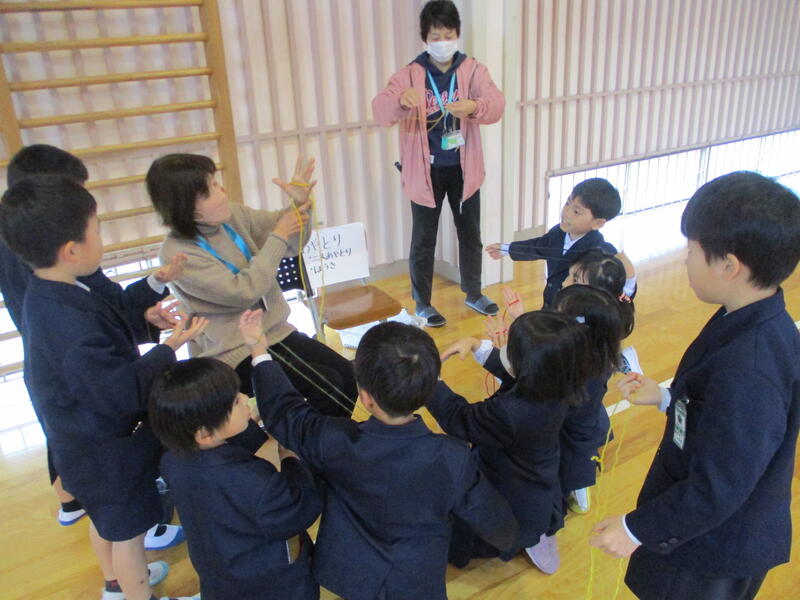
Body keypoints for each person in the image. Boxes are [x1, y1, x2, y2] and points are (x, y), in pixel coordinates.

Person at [591, 172, 800, 600]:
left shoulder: (750, 370)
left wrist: (636, 529)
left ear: (729, 266)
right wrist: (667, 397)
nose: (685, 260)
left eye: (692, 250)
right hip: (701, 524)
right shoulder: (749, 315)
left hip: (713, 547)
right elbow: (719, 416)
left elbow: (720, 487)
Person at [0, 175, 206, 600]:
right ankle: (136, 591)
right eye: (97, 230)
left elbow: (103, 337)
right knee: (129, 536)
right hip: (105, 454)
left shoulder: (50, 289)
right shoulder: (66, 319)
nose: (102, 238)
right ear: (71, 250)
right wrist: (169, 347)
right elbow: (118, 393)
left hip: (81, 445)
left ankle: (116, 584)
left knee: (107, 522)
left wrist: (145, 321)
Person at [240, 314, 517, 600]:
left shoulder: (332, 439)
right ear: (427, 392)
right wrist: (507, 535)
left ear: (366, 398)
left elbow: (286, 412)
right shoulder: (453, 456)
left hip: (350, 574)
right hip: (415, 580)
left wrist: (259, 352)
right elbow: (495, 521)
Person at [146, 153, 357, 418]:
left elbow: (291, 241)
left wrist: (300, 204)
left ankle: (326, 437)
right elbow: (243, 292)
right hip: (233, 351)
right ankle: (309, 438)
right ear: (184, 207)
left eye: (216, 183)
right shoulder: (177, 253)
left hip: (275, 332)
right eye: (211, 190)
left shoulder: (232, 216)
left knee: (346, 375)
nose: (222, 192)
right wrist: (280, 233)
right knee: (328, 387)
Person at [372, 0, 505, 327]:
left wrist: (474, 106)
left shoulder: (473, 70)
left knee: (470, 234)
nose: (443, 42)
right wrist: (401, 101)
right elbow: (380, 110)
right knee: (423, 240)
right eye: (436, 36)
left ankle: (474, 292)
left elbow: (497, 104)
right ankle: (423, 303)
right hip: (425, 172)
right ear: (425, 38)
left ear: (457, 34)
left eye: (448, 35)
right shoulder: (409, 74)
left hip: (464, 169)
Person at [432, 311, 596, 573]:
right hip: (537, 473)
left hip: (508, 486)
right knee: (533, 510)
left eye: (511, 349)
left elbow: (460, 419)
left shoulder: (511, 411)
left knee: (478, 520)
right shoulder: (560, 380)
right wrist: (476, 345)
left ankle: (529, 538)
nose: (504, 349)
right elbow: (516, 374)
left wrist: (431, 383)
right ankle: (537, 533)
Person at [148, 358, 322, 600]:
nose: (244, 397)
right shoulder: (251, 480)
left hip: (220, 573)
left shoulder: (172, 461)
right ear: (204, 433)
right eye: (235, 401)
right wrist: (291, 460)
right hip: (273, 584)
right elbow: (297, 511)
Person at [552, 284, 631, 515]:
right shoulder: (599, 352)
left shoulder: (573, 367)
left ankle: (577, 491)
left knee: (571, 468)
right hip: (588, 422)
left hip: (571, 432)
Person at [486, 178, 622, 308]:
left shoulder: (600, 254)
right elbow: (538, 247)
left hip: (573, 311)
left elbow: (610, 294)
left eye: (576, 211)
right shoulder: (558, 232)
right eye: (567, 203)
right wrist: (507, 249)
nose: (566, 213)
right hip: (550, 303)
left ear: (598, 223)